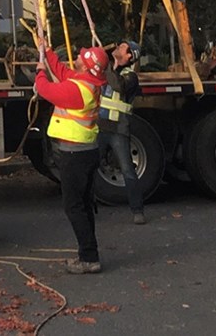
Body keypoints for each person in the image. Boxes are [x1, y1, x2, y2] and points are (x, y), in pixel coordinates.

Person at [35, 43, 109, 274]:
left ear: (86, 66)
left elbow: (45, 89)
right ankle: (88, 253)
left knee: (74, 206)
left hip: (74, 154)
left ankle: (89, 258)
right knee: (84, 205)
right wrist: (46, 51)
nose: (76, 56)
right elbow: (62, 72)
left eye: (80, 57)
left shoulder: (77, 91)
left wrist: (39, 71)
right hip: (84, 152)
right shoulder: (86, 83)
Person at [98, 40, 146, 225]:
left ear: (129, 56)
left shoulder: (131, 77)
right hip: (101, 126)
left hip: (118, 130)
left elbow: (119, 86)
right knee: (90, 166)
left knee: (127, 170)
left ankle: (137, 210)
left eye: (123, 48)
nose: (118, 48)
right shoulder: (108, 71)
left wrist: (108, 66)